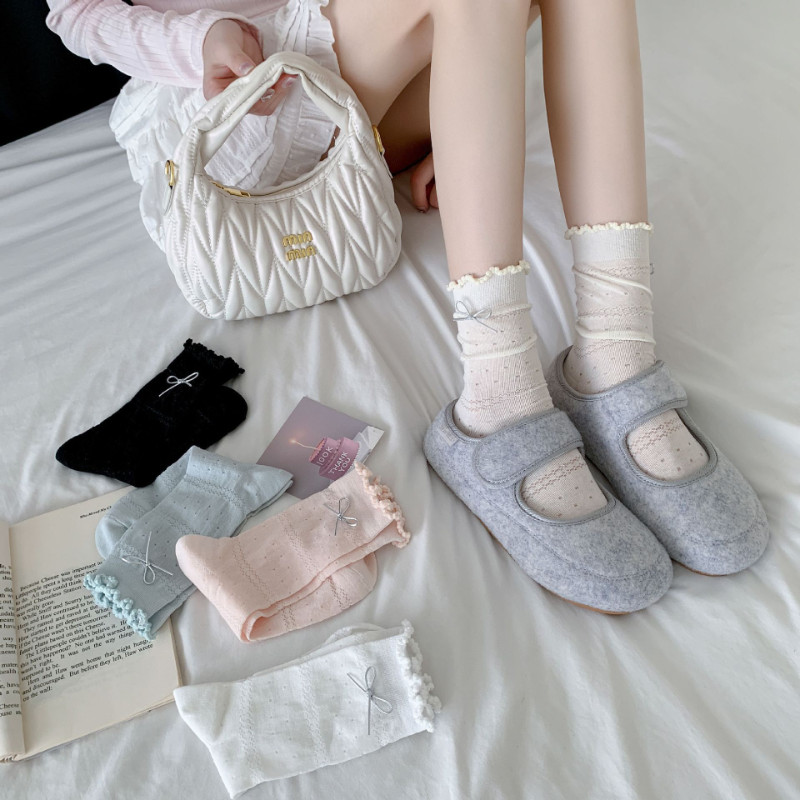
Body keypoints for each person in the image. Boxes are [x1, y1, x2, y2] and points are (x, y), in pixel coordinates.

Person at [46, 0, 769, 611]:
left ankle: (616, 348)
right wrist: (197, 39)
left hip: (368, 86)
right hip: (233, 105)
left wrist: (462, 134)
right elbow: (72, 12)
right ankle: (499, 394)